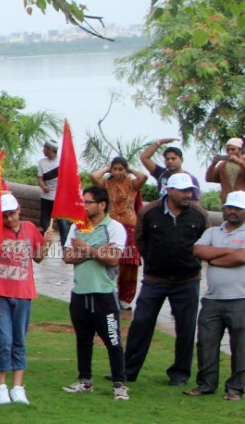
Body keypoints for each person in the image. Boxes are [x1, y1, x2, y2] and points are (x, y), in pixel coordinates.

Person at [122, 172, 207, 386]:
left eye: (190, 190)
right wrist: (152, 259)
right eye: (183, 191)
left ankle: (179, 374)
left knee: (186, 328)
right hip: (155, 278)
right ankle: (127, 370)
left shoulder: (199, 214)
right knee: (141, 323)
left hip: (187, 280)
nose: (188, 194)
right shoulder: (149, 212)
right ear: (169, 191)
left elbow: (203, 243)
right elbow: (141, 240)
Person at [62, 185, 129, 399]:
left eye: (88, 202)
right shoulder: (76, 227)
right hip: (80, 293)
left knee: (112, 339)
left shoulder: (115, 228)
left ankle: (119, 384)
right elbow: (67, 256)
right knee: (83, 339)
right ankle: (85, 380)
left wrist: (85, 248)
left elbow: (112, 258)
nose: (84, 206)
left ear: (101, 204)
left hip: (104, 294)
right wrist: (96, 251)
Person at [0, 194, 53, 405]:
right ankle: (0, 386)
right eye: (5, 216)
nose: (9, 220)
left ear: (19, 210)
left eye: (12, 214)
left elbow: (38, 257)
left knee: (19, 340)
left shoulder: (29, 228)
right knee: (3, 340)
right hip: (0, 293)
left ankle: (18, 387)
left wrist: (47, 244)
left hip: (24, 292)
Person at [189, 191, 245, 399]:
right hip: (213, 298)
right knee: (206, 343)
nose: (232, 211)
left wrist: (214, 257)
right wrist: (230, 253)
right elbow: (198, 251)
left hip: (241, 299)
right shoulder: (213, 231)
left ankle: (235, 388)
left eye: (238, 208)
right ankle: (206, 384)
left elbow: (241, 257)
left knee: (240, 346)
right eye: (229, 207)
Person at [91, 157, 148, 309]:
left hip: (129, 226)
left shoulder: (132, 184)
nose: (117, 172)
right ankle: (109, 292)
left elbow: (143, 177)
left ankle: (126, 298)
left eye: (120, 169)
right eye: (114, 169)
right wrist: (106, 169)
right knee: (110, 257)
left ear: (125, 170)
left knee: (129, 262)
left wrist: (130, 170)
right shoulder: (106, 184)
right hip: (112, 225)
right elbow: (94, 176)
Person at [205, 137, 245, 203]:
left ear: (240, 150)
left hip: (243, 200)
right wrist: (213, 165)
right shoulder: (223, 165)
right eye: (228, 150)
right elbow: (209, 179)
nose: (230, 152)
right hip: (227, 200)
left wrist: (238, 161)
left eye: (233, 149)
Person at [37, 140, 60, 232]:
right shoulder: (42, 162)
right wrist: (43, 187)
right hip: (46, 197)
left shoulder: (62, 162)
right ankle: (43, 244)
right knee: (44, 223)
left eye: (44, 148)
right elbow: (40, 179)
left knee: (62, 224)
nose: (43, 150)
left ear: (50, 150)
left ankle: (65, 245)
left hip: (58, 198)